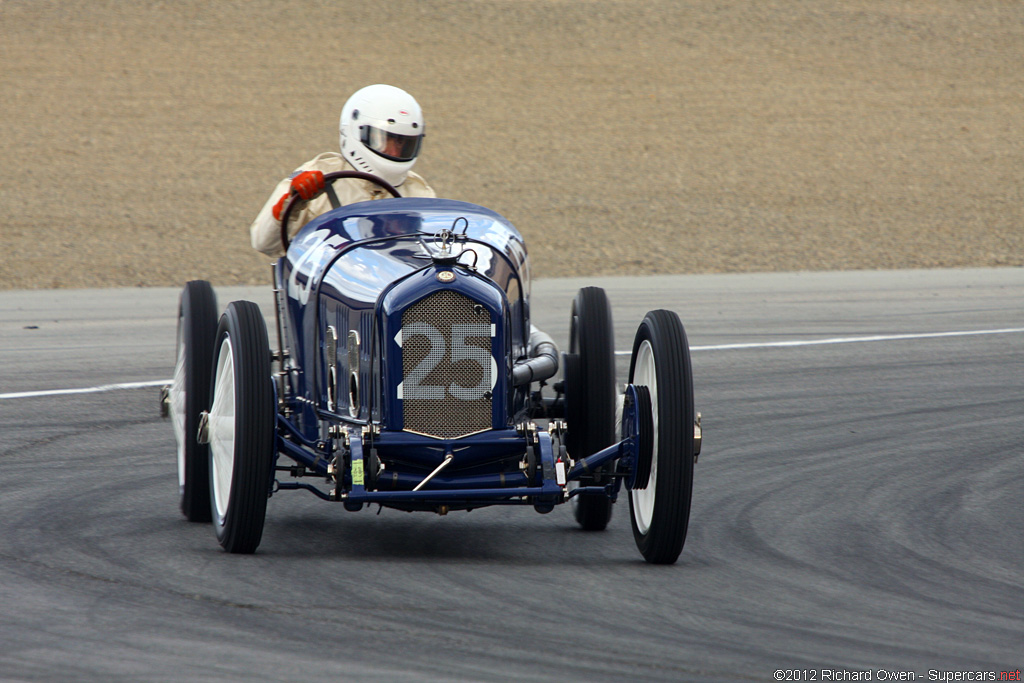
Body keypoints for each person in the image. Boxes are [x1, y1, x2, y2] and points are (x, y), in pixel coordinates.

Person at [250, 84, 436, 257]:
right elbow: (263, 243)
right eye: (385, 140)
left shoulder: (419, 194)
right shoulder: (316, 175)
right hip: (326, 287)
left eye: (403, 143)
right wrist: (293, 202)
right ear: (355, 132)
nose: (394, 151)